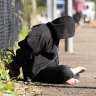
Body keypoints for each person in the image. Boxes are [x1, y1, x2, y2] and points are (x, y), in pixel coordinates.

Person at [8, 16, 86, 85]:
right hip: (36, 71)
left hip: (47, 68)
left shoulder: (53, 34)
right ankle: (65, 77)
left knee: (75, 73)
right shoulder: (42, 34)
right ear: (61, 28)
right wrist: (16, 65)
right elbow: (26, 51)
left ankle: (65, 77)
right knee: (65, 71)